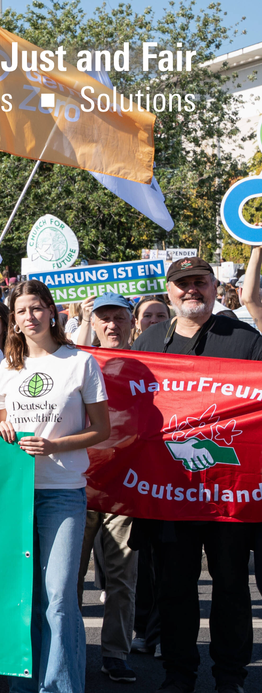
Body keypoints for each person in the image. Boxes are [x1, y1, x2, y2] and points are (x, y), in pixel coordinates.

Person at [130, 257, 262, 693]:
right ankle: (178, 673)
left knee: (230, 587)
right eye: (182, 283)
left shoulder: (245, 340)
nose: (191, 290)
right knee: (175, 588)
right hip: (168, 494)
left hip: (229, 495)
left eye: (199, 282)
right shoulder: (149, 342)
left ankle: (230, 676)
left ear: (213, 286)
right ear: (168, 290)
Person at [0, 279, 110, 693]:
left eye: (37, 308)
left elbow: (102, 429)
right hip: (17, 495)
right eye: (21, 311)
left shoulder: (80, 363)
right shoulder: (8, 367)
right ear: (14, 320)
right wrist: (0, 426)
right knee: (27, 601)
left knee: (59, 600)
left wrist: (56, 444)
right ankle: (24, 685)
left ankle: (59, 687)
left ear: (52, 311)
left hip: (63, 493)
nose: (30, 316)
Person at [61, 293, 140, 683]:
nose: (112, 325)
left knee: (122, 577)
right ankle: (72, 647)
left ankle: (115, 653)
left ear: (131, 323)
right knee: (68, 576)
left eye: (119, 318)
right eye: (104, 318)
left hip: (125, 488)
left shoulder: (148, 368)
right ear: (91, 322)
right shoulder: (74, 363)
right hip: (76, 483)